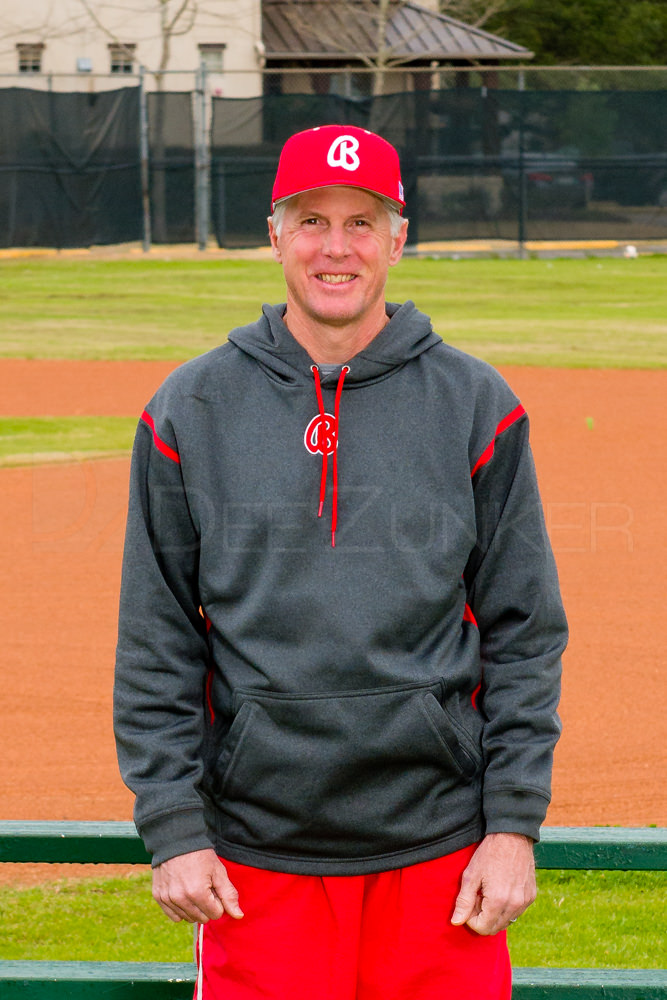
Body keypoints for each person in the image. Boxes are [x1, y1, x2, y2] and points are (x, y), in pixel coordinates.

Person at [114, 124, 568, 1000]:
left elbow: (524, 630)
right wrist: (174, 827)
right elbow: (156, 637)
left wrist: (512, 825)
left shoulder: (476, 404)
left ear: (399, 237)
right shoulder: (190, 407)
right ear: (275, 232)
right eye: (311, 219)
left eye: (361, 222)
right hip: (255, 858)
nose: (336, 247)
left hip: (442, 852)